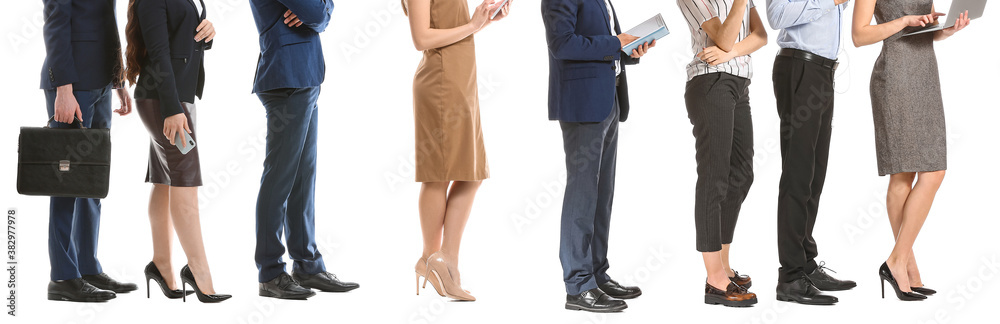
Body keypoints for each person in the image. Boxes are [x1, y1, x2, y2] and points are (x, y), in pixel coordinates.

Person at [852, 0, 970, 301]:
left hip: (925, 72)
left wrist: (948, 30)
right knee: (903, 174)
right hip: (895, 75)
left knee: (933, 171)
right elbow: (859, 35)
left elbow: (926, 30)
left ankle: (900, 263)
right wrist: (904, 21)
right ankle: (902, 264)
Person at [542, 0, 654, 313]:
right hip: (582, 103)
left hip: (609, 100)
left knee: (601, 195)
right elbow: (561, 44)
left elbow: (603, 44)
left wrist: (629, 50)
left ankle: (596, 274)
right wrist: (617, 42)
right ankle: (578, 286)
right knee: (582, 194)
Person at [249, 0, 359, 299]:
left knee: (301, 177)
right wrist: (317, 12)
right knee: (280, 178)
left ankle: (307, 265)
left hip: (304, 75)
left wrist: (319, 10)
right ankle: (270, 272)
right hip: (287, 76)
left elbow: (322, 10)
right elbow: (314, 12)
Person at [402, 0, 511, 302]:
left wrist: (485, 19)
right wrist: (473, 25)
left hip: (460, 80)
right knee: (440, 174)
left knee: (469, 173)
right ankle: (438, 262)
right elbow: (421, 38)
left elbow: (451, 26)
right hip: (441, 81)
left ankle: (436, 262)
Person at [125, 0, 230, 303]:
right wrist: (172, 109)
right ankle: (200, 275)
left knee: (166, 181)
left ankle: (161, 264)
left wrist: (207, 36)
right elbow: (158, 53)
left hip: (174, 99)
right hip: (166, 102)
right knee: (186, 187)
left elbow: (179, 37)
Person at [40, 0, 137, 302]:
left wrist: (118, 78)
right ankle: (63, 277)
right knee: (67, 181)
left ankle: (87, 267)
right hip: (73, 84)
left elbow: (108, 21)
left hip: (101, 82)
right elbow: (55, 22)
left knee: (92, 180)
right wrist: (64, 89)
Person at [765, 0, 858, 305]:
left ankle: (805, 264)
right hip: (799, 67)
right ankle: (790, 277)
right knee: (798, 173)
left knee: (815, 175)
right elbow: (776, 15)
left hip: (823, 71)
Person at [677, 0, 766, 307]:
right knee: (715, 176)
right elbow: (724, 37)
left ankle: (724, 266)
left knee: (741, 174)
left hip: (739, 84)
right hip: (710, 81)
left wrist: (731, 53)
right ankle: (715, 279)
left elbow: (761, 36)